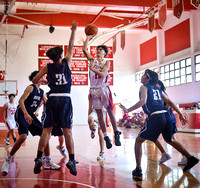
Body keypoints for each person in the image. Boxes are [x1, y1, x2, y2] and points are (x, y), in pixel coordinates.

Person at [119, 69, 199, 176]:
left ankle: (138, 169)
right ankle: (191, 158)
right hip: (166, 115)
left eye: (144, 75)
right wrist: (180, 114)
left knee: (138, 141)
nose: (142, 77)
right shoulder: (157, 89)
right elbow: (170, 102)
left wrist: (128, 110)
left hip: (156, 116)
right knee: (169, 139)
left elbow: (143, 101)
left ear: (148, 78)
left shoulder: (144, 87)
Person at [33, 21, 77, 176]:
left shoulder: (47, 67)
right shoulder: (66, 62)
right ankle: (71, 160)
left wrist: (46, 81)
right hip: (65, 99)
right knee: (67, 130)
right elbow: (71, 44)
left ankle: (39, 158)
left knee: (47, 130)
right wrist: (73, 30)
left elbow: (35, 79)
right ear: (60, 55)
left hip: (52, 99)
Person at [1, 71, 60, 174]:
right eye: (41, 75)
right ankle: (8, 160)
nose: (43, 77)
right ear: (36, 77)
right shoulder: (31, 87)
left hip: (30, 114)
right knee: (23, 137)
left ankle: (48, 161)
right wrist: (26, 113)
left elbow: (45, 102)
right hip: (21, 112)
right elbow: (21, 101)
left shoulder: (41, 92)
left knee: (44, 134)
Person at [83, 36, 121, 149]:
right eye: (97, 49)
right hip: (94, 89)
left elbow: (103, 74)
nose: (98, 50)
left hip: (103, 88)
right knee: (99, 115)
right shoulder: (92, 60)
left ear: (105, 53)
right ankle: (106, 137)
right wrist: (87, 38)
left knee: (110, 111)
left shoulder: (107, 62)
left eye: (100, 49)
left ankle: (116, 132)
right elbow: (84, 49)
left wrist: (93, 69)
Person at [155, 80, 187, 165]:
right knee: (156, 137)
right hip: (166, 118)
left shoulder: (161, 92)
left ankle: (186, 156)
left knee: (170, 139)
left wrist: (163, 111)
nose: (155, 85)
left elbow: (169, 104)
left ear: (160, 85)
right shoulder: (157, 93)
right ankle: (166, 154)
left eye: (156, 84)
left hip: (167, 118)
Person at [88, 94, 105, 161]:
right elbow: (89, 107)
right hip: (94, 112)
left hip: (103, 112)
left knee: (100, 133)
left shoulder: (104, 91)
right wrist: (88, 118)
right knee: (90, 119)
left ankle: (102, 153)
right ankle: (93, 129)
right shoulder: (91, 93)